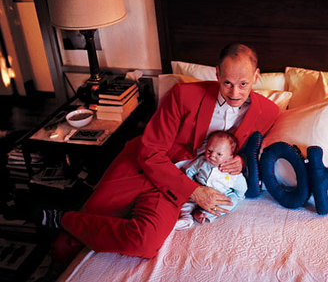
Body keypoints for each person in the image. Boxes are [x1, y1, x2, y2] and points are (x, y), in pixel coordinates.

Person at [44, 43, 280, 263]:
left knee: (143, 242)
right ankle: (59, 219)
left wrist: (241, 160)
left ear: (256, 77)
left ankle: (63, 218)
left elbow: (257, 150)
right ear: (217, 73)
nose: (235, 92)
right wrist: (195, 192)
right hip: (154, 169)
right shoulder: (183, 95)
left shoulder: (268, 112)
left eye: (243, 84)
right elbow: (151, 152)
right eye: (227, 82)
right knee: (69, 243)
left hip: (178, 186)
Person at [175, 130, 247, 230]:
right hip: (199, 189)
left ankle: (204, 214)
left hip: (220, 195)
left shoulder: (231, 171)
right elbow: (190, 171)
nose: (212, 155)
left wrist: (239, 196)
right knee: (186, 202)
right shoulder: (201, 162)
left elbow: (241, 186)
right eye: (209, 151)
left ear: (230, 157)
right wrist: (190, 185)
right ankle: (186, 217)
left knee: (230, 202)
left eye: (219, 154)